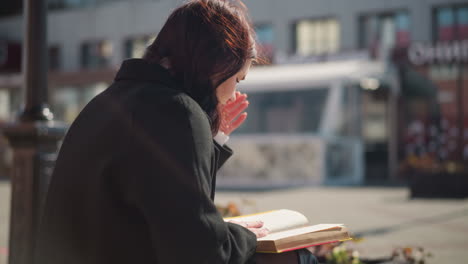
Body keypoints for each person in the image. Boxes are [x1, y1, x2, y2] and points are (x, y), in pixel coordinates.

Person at [35, 0, 317, 263]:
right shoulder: (176, 111)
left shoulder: (108, 102)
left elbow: (163, 193)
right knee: (299, 257)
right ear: (216, 66)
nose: (234, 95)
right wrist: (251, 235)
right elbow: (203, 252)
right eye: (237, 79)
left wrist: (213, 138)